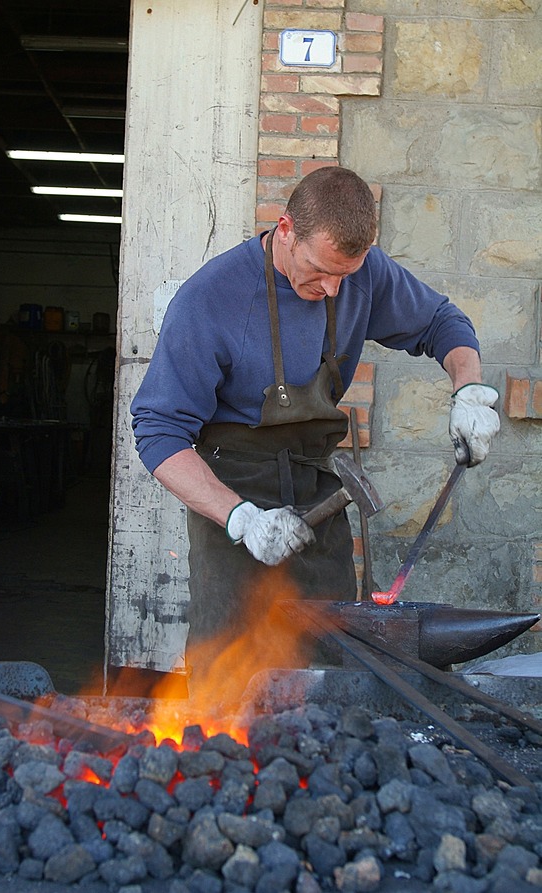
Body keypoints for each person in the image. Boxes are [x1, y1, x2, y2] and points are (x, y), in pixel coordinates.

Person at [130, 167, 500, 669]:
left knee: (334, 660)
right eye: (318, 270)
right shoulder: (210, 299)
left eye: (343, 275)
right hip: (233, 491)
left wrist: (471, 390)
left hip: (317, 489)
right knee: (229, 672)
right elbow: (158, 432)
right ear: (285, 230)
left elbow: (442, 321)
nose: (331, 289)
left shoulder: (361, 274)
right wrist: (241, 518)